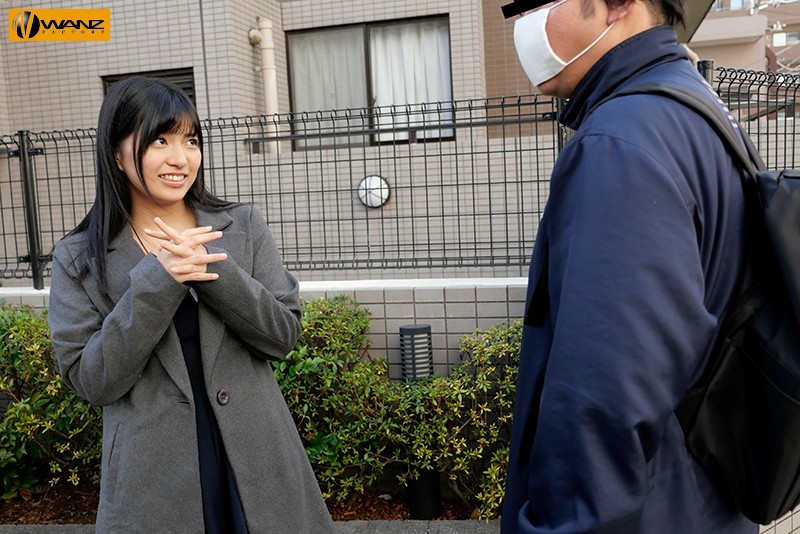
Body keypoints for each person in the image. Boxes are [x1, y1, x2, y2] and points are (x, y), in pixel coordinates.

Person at [500, 0, 759, 532]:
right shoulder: (693, 110)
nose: (524, 24)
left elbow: (603, 401)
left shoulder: (620, 141)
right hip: (702, 502)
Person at [47, 77, 336, 533]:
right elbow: (91, 379)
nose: (180, 158)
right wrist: (158, 281)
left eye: (191, 140)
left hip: (258, 457)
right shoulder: (80, 258)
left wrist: (214, 270)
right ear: (117, 154)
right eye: (160, 140)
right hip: (153, 476)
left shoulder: (241, 226)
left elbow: (282, 336)